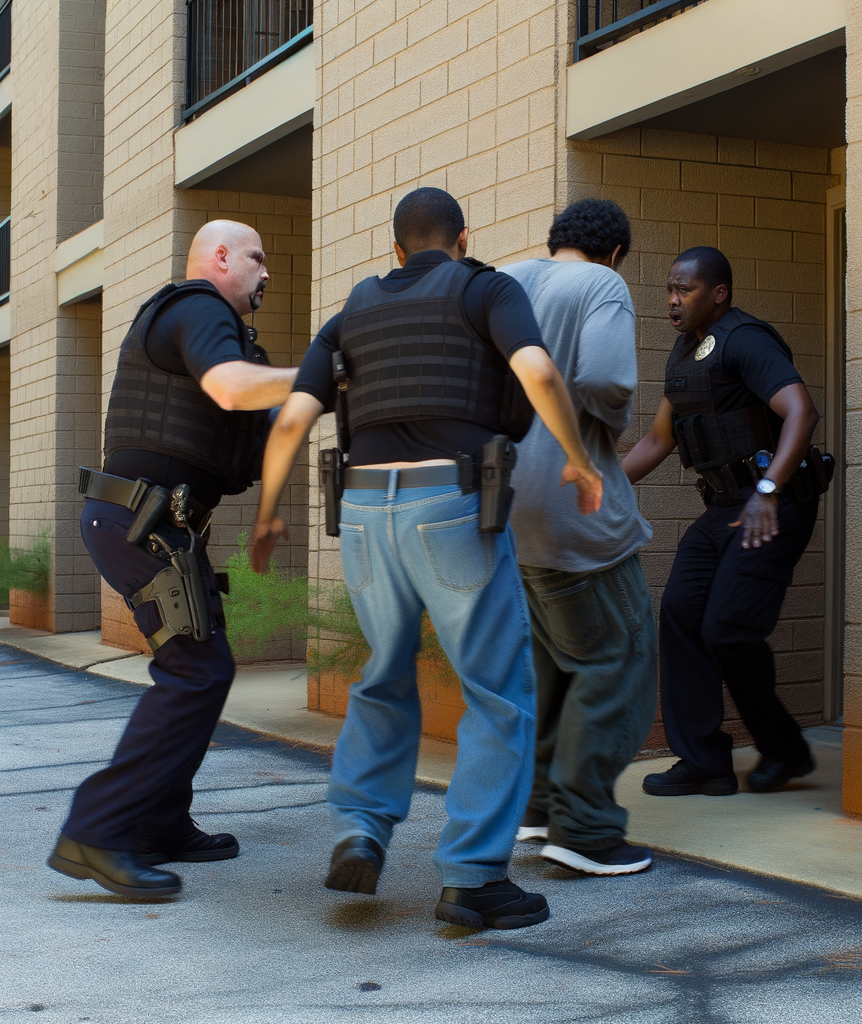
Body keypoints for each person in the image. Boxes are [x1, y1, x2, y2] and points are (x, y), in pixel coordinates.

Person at [249, 187, 603, 930]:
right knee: (497, 692)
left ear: (397, 250)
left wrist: (267, 512)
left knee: (383, 672)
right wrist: (577, 459)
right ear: (463, 238)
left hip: (363, 512)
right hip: (451, 507)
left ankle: (362, 826)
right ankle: (473, 877)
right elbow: (536, 371)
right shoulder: (487, 288)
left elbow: (292, 419)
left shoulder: (354, 309)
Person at [48, 220, 297, 898]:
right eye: (256, 257)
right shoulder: (195, 307)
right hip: (138, 520)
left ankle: (161, 822)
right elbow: (231, 387)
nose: (266, 273)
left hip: (162, 526)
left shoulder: (235, 338)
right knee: (195, 669)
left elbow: (273, 423)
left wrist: (271, 509)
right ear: (218, 257)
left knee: (201, 668)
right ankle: (94, 831)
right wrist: (320, 372)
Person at [621, 246, 823, 797]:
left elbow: (801, 410)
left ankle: (784, 749)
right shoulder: (684, 354)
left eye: (683, 289)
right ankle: (704, 762)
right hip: (723, 510)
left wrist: (766, 491)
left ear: (719, 293)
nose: (672, 299)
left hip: (773, 505)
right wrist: (597, 484)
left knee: (727, 627)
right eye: (669, 288)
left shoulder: (746, 339)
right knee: (682, 612)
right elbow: (660, 439)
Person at [500, 199, 657, 876]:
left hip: (505, 508)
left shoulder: (507, 280)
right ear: (616, 252)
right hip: (574, 502)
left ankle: (538, 811)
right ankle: (587, 829)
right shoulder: (603, 285)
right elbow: (606, 378)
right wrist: (608, 428)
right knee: (617, 656)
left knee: (553, 662)